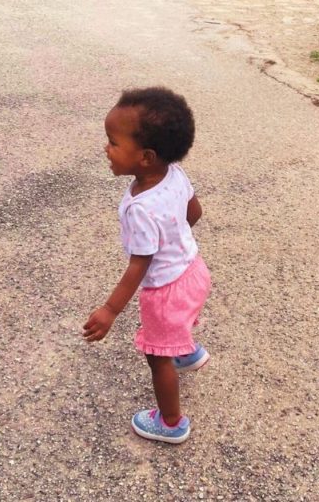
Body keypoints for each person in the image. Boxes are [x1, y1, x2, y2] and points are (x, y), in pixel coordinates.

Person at [83, 86, 212, 444]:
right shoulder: (175, 174)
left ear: (145, 157)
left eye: (113, 142)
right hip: (194, 271)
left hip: (167, 289)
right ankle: (189, 352)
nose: (105, 148)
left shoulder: (140, 208)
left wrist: (110, 309)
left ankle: (171, 423)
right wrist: (175, 239)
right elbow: (194, 213)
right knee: (179, 322)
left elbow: (139, 265)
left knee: (157, 357)